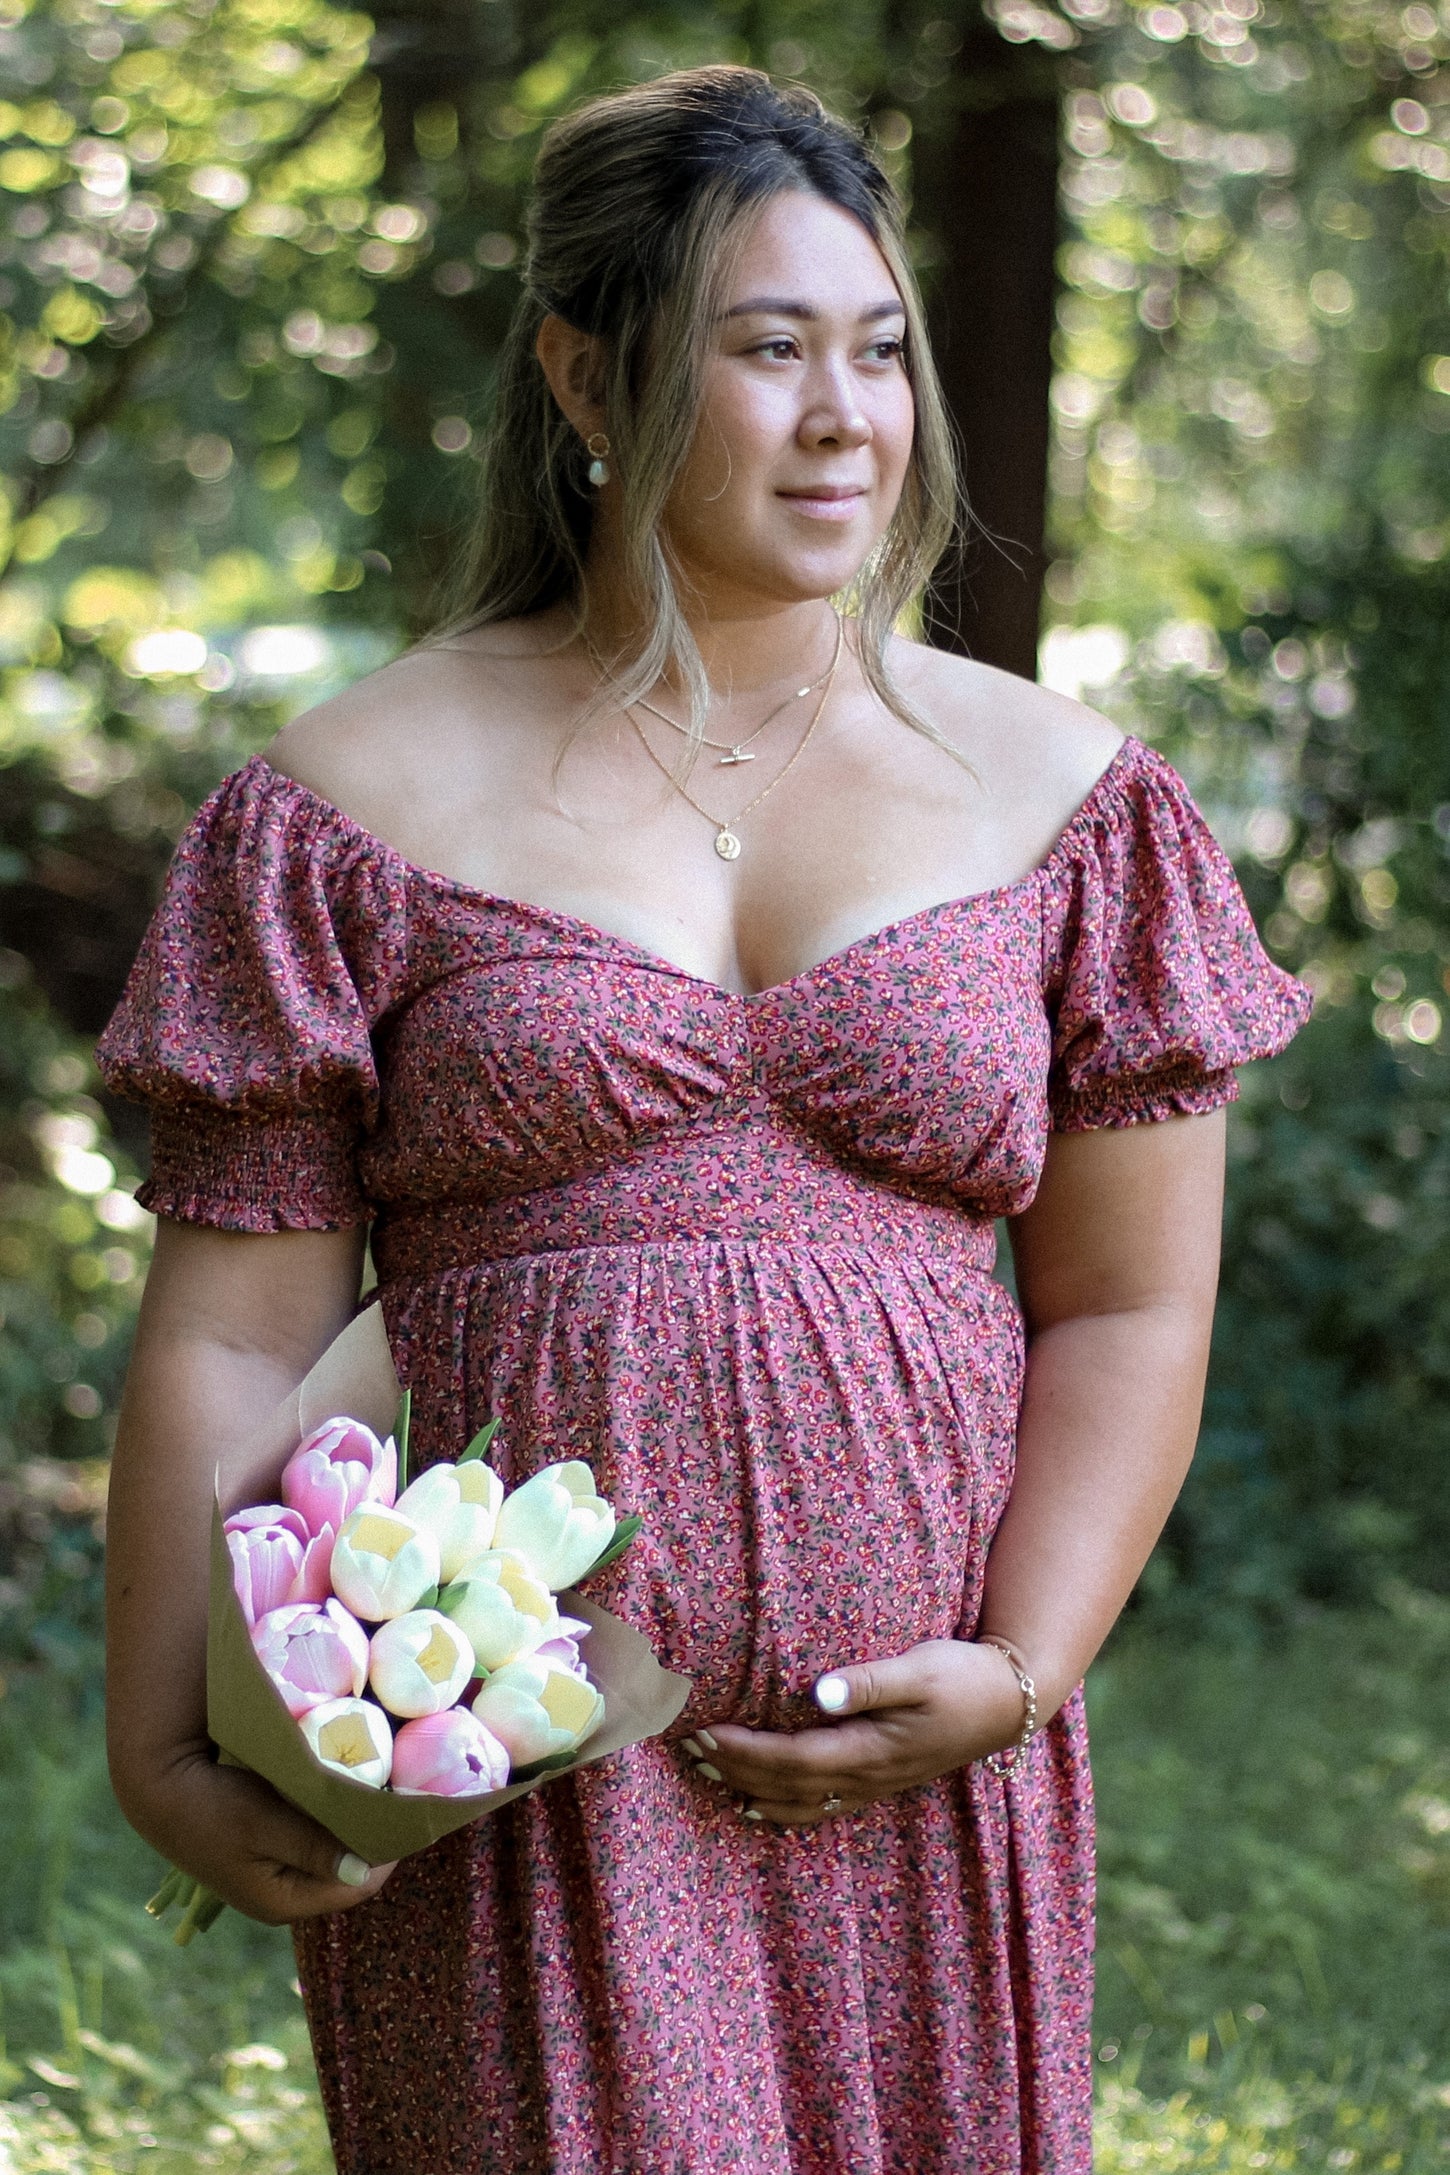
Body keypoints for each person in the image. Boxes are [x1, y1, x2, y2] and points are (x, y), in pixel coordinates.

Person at [97, 64, 1310, 2175]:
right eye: (767, 351)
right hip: (504, 1746)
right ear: (587, 374)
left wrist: (1020, 1665)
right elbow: (233, 1328)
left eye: (879, 351)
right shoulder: (348, 805)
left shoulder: (1063, 802)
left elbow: (1127, 1302)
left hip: (921, 1759)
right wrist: (163, 1735)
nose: (844, 418)